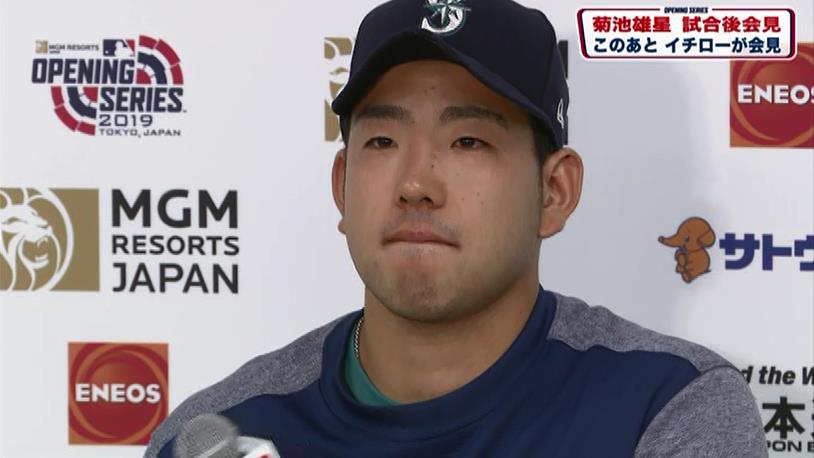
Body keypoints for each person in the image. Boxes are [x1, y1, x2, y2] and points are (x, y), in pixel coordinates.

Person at [146, 0, 767, 456]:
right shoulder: (219, 434)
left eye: (468, 140)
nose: (416, 183)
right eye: (383, 141)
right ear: (342, 186)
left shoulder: (664, 407)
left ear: (554, 192)